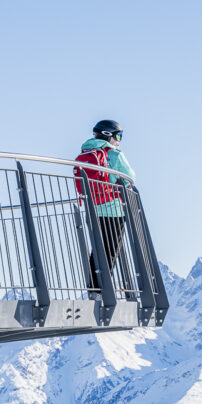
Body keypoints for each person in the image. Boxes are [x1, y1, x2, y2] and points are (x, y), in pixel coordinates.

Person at [75, 119, 136, 293]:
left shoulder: (86, 152)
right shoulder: (113, 154)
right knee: (111, 251)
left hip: (93, 209)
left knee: (98, 249)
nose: (119, 140)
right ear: (108, 135)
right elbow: (130, 176)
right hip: (113, 210)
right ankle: (103, 289)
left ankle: (94, 289)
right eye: (118, 136)